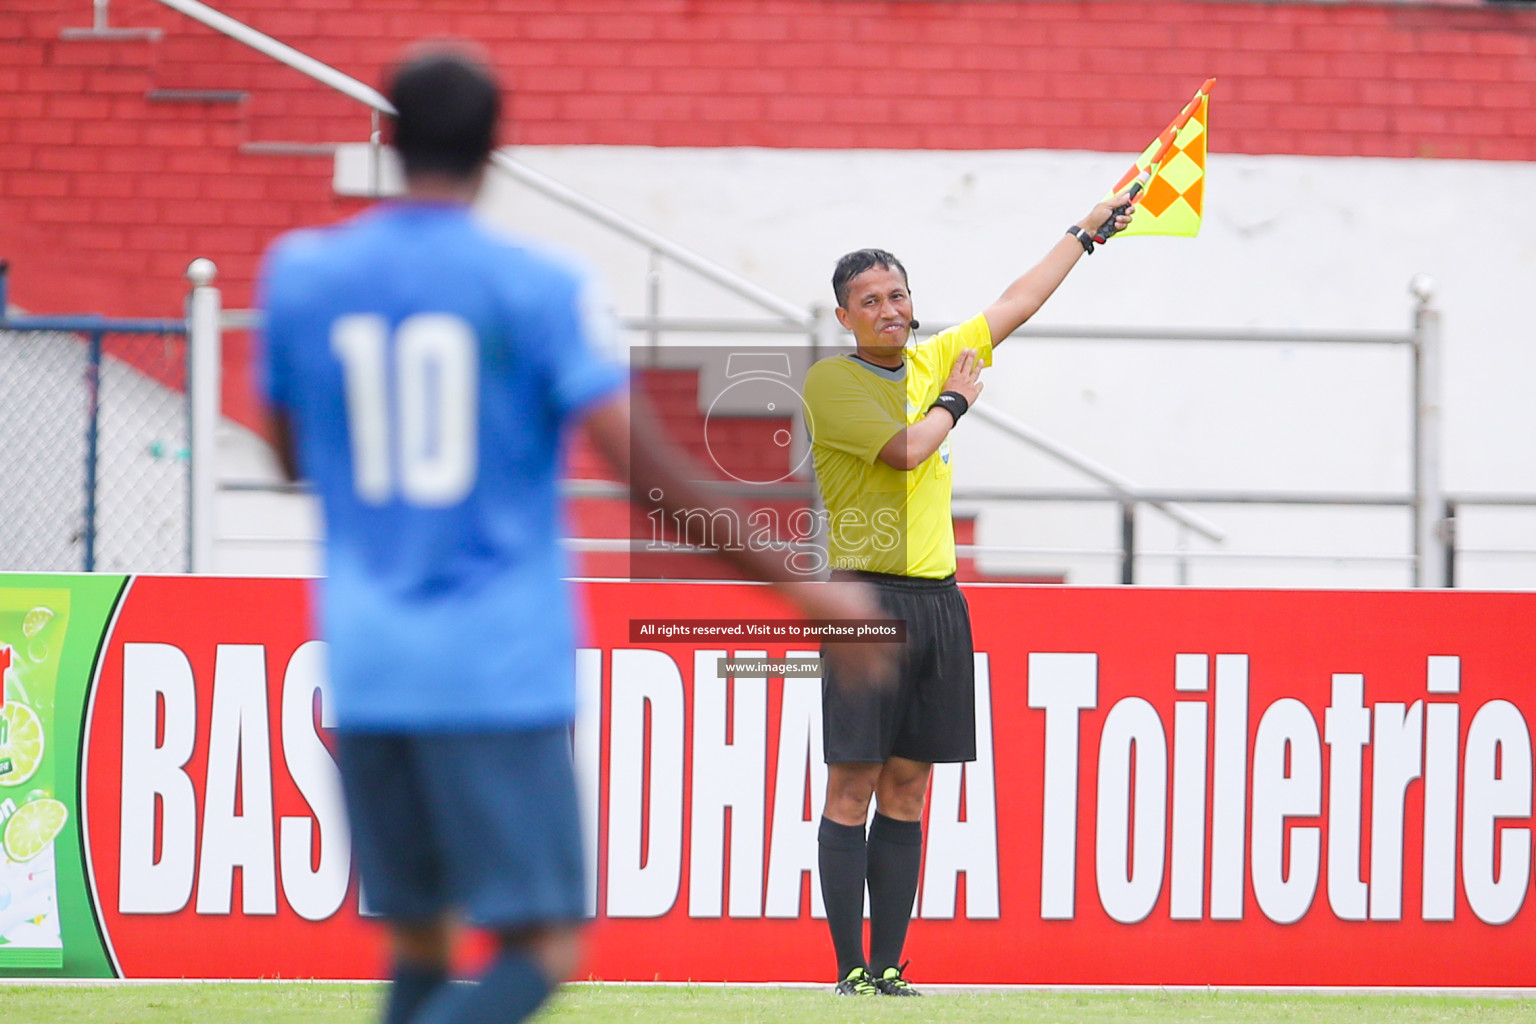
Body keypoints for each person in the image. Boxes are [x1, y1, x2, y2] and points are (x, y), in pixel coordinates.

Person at [256, 45, 883, 1024]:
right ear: (493, 149)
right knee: (542, 942)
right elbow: (648, 475)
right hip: (498, 662)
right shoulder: (536, 285)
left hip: (369, 659)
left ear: (386, 136)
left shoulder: (300, 274)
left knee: (419, 938)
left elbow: (290, 456)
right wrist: (805, 590)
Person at [800, 196, 1135, 996]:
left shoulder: (932, 356)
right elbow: (908, 450)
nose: (890, 309)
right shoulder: (831, 383)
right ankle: (847, 969)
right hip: (865, 603)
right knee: (852, 785)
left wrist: (1084, 234)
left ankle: (887, 968)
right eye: (871, 300)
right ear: (846, 318)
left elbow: (1018, 299)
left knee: (910, 785)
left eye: (898, 293)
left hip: (940, 603)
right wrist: (956, 400)